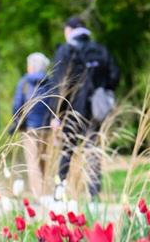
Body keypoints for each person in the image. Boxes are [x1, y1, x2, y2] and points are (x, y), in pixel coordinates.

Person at [51, 16, 120, 195]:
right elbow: (115, 74)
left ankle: (60, 192)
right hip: (96, 111)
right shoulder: (100, 50)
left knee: (67, 149)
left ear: (69, 30)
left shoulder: (65, 51)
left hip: (72, 109)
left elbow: (59, 85)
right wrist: (103, 91)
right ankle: (93, 194)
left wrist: (55, 114)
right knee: (93, 149)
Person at [12, 52, 56, 197]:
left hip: (30, 128)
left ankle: (38, 195)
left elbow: (17, 105)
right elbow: (55, 103)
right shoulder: (50, 82)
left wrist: (17, 122)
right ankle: (48, 193)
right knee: (46, 161)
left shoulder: (24, 82)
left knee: (32, 162)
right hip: (48, 128)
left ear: (30, 67)